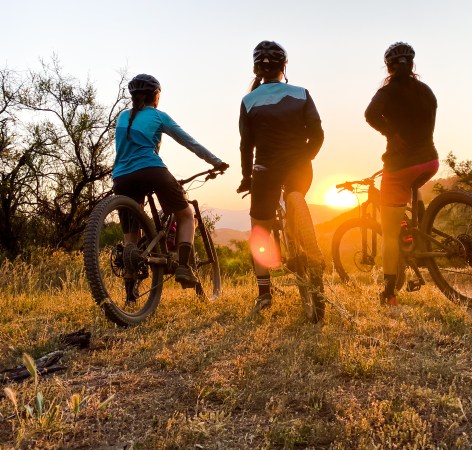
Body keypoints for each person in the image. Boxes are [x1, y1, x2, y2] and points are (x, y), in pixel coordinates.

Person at [113, 74, 228, 300]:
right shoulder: (158, 115)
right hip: (151, 170)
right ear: (156, 96)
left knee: (130, 239)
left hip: (121, 177)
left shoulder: (123, 116)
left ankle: (130, 295)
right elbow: (189, 142)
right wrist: (216, 162)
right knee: (186, 214)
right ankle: (184, 267)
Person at [237, 40, 325, 312]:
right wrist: (305, 157)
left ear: (256, 69)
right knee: (295, 195)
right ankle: (305, 245)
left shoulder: (248, 101)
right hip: (301, 168)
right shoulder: (301, 93)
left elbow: (246, 146)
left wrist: (246, 178)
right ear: (284, 66)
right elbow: (318, 134)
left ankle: (264, 294)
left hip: (265, 172)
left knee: (260, 230)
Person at [364, 42, 439, 306]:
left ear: (389, 67)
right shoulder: (426, 91)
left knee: (389, 233)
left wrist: (391, 133)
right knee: (412, 187)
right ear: (412, 63)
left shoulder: (387, 92)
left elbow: (369, 115)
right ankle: (418, 229)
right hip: (430, 161)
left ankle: (389, 294)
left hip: (399, 167)